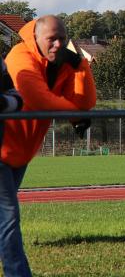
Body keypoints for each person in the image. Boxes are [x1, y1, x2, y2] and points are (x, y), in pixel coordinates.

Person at [1, 15, 96, 276]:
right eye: (51, 39)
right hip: (3, 149)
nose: (57, 44)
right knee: (8, 218)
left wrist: (80, 67)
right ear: (36, 37)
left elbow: (85, 102)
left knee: (3, 219)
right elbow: (36, 98)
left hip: (19, 153)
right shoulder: (20, 56)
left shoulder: (62, 63)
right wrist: (74, 113)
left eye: (62, 39)